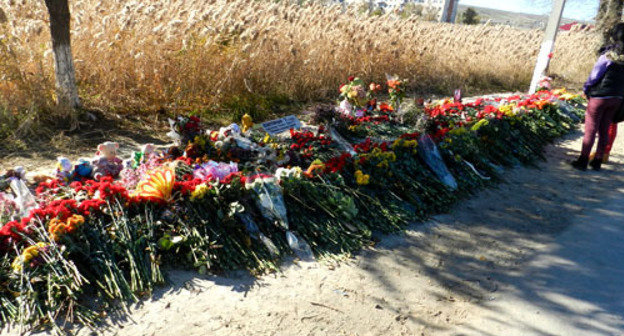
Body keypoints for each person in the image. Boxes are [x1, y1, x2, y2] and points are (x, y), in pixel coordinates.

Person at [572, 22, 624, 171]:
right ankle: (598, 161)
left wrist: (586, 88)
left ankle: (583, 160)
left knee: (591, 128)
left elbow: (595, 75)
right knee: (604, 128)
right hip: (617, 98)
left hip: (600, 96)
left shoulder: (608, 55)